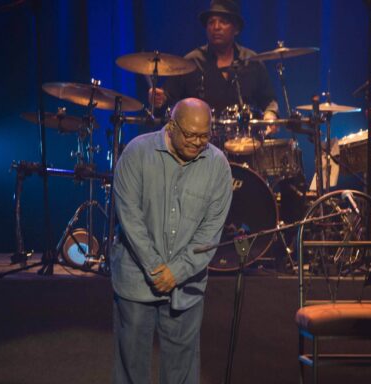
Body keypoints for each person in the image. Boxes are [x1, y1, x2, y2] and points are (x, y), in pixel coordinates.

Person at [110, 98, 233, 384]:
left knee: (182, 370)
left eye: (204, 135)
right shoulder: (137, 152)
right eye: (190, 134)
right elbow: (130, 218)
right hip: (136, 277)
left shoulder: (218, 166)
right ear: (171, 124)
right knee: (131, 367)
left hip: (186, 284)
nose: (197, 142)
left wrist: (177, 272)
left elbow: (211, 231)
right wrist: (156, 269)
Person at [150, 0, 279, 132]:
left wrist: (271, 114)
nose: (216, 27)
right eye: (211, 22)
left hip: (245, 142)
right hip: (199, 145)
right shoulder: (191, 62)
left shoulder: (252, 62)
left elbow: (269, 100)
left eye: (223, 22)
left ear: (236, 29)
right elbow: (167, 101)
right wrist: (159, 99)